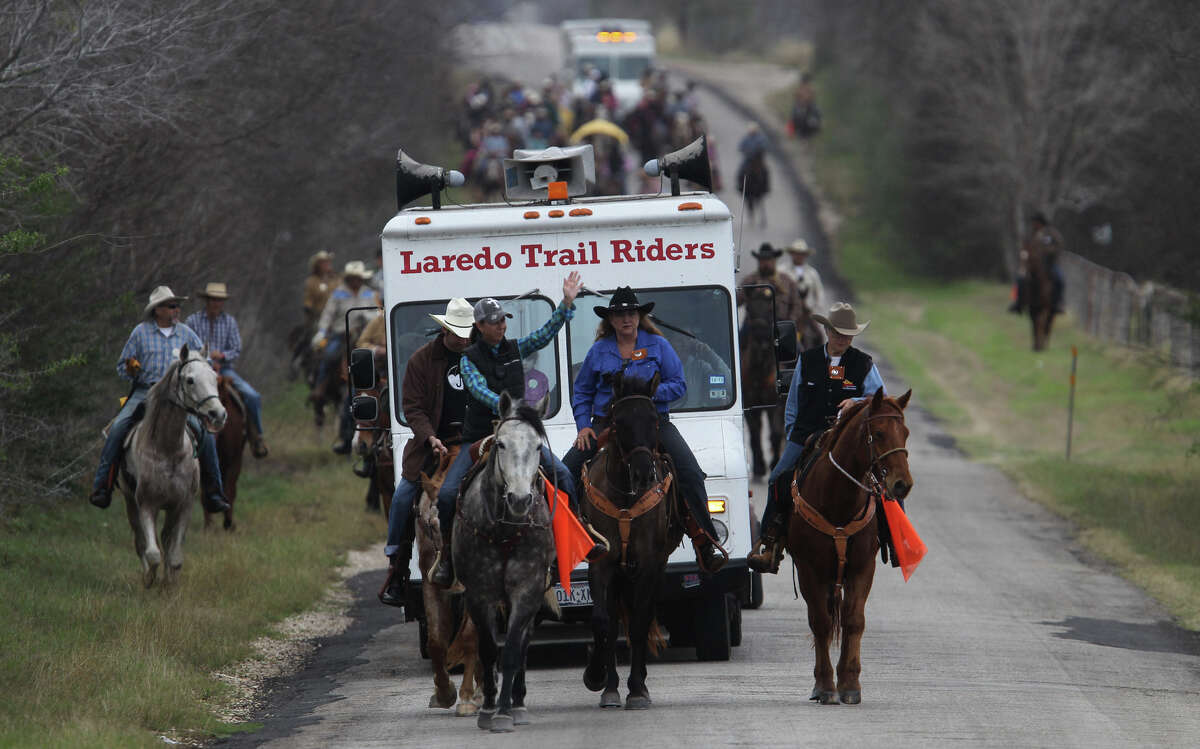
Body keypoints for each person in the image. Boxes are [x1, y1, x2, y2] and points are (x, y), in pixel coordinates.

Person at [429, 273, 585, 588]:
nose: (502, 325)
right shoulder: (468, 360)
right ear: (480, 326)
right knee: (446, 496)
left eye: (503, 320)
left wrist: (566, 304)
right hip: (479, 438)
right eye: (495, 321)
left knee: (565, 477)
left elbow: (544, 335)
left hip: (518, 438)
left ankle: (576, 538)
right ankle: (447, 555)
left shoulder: (516, 347)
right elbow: (478, 390)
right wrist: (509, 410)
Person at [562, 287, 729, 573]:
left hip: (653, 422)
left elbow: (679, 384)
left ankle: (704, 541)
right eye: (620, 314)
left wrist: (646, 396)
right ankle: (565, 543)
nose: (627, 319)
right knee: (566, 471)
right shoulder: (598, 350)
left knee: (688, 471)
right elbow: (582, 393)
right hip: (607, 423)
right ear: (610, 320)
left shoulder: (659, 345)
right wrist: (583, 427)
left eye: (631, 313)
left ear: (639, 316)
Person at [747, 302, 885, 574]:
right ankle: (770, 544)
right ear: (826, 330)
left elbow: (880, 400)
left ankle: (892, 540)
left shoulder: (864, 364)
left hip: (849, 439)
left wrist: (855, 401)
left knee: (884, 480)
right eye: (837, 332)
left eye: (848, 334)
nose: (843, 338)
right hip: (807, 436)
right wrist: (794, 436)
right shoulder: (807, 360)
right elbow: (793, 406)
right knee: (778, 477)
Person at [89, 286, 230, 513]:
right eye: (172, 306)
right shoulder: (140, 333)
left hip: (179, 395)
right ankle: (102, 487)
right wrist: (131, 368)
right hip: (146, 390)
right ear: (158, 310)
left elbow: (201, 363)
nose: (177, 310)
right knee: (118, 428)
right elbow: (121, 366)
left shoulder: (186, 334)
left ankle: (214, 493)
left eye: (177, 306)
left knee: (205, 434)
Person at [378, 298, 474, 607]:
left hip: (476, 441)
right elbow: (413, 408)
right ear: (445, 330)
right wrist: (430, 437)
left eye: (467, 332)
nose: (463, 338)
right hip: (434, 445)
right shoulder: (422, 360)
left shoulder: (480, 355)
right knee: (404, 496)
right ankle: (398, 567)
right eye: (458, 332)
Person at [185, 283, 268, 458]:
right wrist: (206, 361)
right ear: (206, 300)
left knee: (252, 396)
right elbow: (187, 348)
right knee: (183, 399)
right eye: (213, 299)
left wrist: (222, 356)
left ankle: (257, 437)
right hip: (199, 372)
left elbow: (236, 349)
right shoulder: (192, 321)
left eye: (220, 300)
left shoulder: (229, 322)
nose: (216, 303)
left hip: (225, 371)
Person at [311, 261, 381, 453]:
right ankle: (320, 386)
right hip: (341, 335)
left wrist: (368, 320)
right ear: (349, 278)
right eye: (354, 278)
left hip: (365, 334)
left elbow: (377, 314)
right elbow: (328, 314)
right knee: (329, 356)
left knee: (377, 357)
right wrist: (322, 331)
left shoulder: (369, 293)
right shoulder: (338, 294)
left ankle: (378, 382)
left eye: (360, 278)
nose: (357, 281)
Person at [1009, 212, 1065, 315]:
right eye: (1033, 223)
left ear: (1041, 223)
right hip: (1031, 264)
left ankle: (1058, 303)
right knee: (1020, 279)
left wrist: (1047, 251)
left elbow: (1059, 245)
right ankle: (1018, 303)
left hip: (1049, 263)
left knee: (1059, 279)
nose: (1034, 225)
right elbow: (1024, 247)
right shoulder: (1030, 234)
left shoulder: (1051, 233)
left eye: (1036, 222)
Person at [738, 243, 802, 325]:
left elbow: (797, 304)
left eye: (769, 260)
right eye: (762, 260)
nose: (765, 263)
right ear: (758, 261)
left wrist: (789, 322)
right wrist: (746, 292)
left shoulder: (787, 281)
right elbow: (736, 301)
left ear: (774, 260)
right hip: (753, 324)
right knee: (739, 336)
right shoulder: (749, 280)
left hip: (780, 323)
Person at [783, 238, 826, 346]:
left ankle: (821, 360)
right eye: (796, 253)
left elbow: (819, 293)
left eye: (801, 254)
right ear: (792, 254)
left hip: (807, 313)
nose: (799, 256)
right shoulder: (782, 271)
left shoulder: (812, 273)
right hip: (787, 312)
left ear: (805, 255)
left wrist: (815, 308)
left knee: (819, 335)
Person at [303, 250, 336, 329]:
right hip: (319, 317)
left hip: (337, 317)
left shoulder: (336, 279)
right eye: (323, 263)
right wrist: (310, 310)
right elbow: (308, 300)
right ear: (317, 265)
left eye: (327, 262)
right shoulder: (312, 281)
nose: (326, 265)